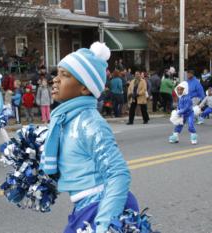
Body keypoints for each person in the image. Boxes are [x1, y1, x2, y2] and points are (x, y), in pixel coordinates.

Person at [40, 42, 144, 233]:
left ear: (84, 89)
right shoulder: (66, 120)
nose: (55, 80)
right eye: (57, 73)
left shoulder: (89, 123)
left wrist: (104, 224)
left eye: (65, 75)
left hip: (101, 208)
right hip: (84, 207)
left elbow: (118, 174)